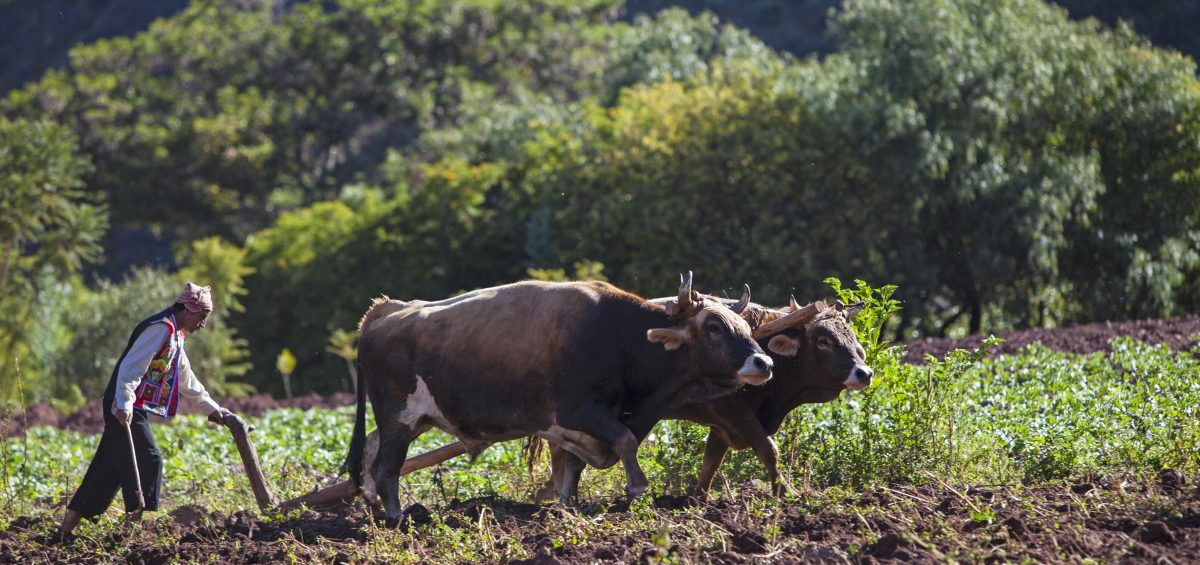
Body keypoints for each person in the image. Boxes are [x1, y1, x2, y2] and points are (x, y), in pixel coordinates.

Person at [57, 282, 240, 540]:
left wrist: (211, 408)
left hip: (130, 405)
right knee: (149, 459)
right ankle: (130, 531)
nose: (203, 323)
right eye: (202, 316)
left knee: (105, 471)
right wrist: (123, 402)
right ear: (188, 309)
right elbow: (132, 366)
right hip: (124, 406)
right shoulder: (160, 329)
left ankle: (64, 531)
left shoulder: (176, 334)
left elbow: (186, 378)